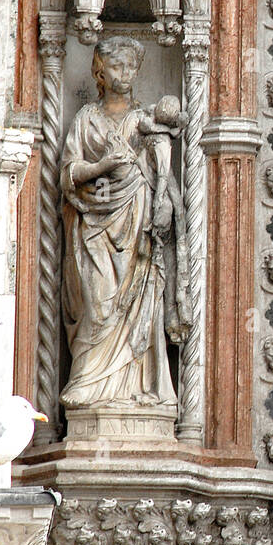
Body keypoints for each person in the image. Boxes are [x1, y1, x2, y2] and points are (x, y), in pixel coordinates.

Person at [60, 36, 178, 409]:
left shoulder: (144, 121)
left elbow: (164, 167)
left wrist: (163, 206)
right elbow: (69, 171)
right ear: (99, 70)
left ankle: (135, 386)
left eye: (130, 66)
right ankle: (88, 382)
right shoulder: (85, 120)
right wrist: (101, 168)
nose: (124, 74)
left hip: (137, 225)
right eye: (116, 66)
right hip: (94, 226)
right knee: (98, 302)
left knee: (137, 302)